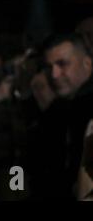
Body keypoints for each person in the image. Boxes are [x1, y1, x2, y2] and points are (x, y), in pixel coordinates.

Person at [30, 33, 93, 199]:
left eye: (62, 64)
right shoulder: (59, 108)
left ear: (88, 63)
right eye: (49, 67)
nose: (54, 74)